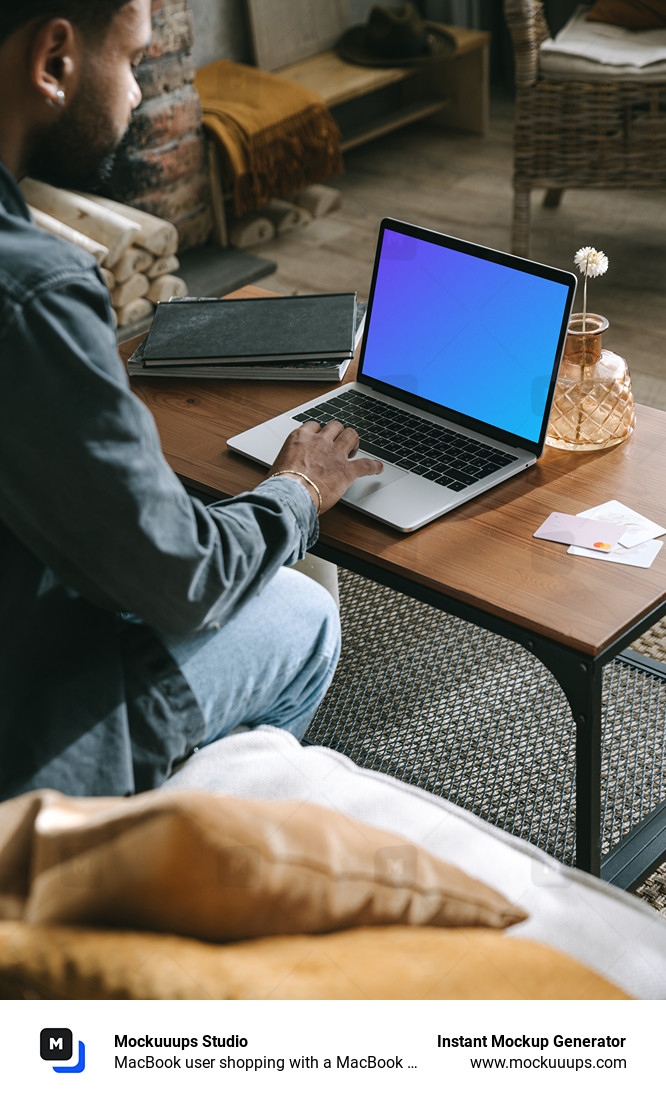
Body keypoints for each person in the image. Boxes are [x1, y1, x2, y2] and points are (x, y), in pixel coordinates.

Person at [0, 0, 382, 801]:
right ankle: (153, 850)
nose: (138, 92)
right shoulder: (31, 291)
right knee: (303, 613)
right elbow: (184, 580)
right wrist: (299, 492)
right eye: (134, 60)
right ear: (55, 62)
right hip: (30, 723)